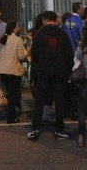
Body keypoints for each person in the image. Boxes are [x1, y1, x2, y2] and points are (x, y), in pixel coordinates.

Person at [27, 10, 74, 142]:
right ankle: (59, 130)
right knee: (59, 102)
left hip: (43, 73)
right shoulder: (63, 34)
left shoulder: (39, 34)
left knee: (39, 101)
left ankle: (35, 129)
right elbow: (69, 55)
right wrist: (67, 72)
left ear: (45, 19)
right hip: (60, 73)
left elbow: (34, 55)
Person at [0, 20, 28, 124]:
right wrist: (27, 51)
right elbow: (21, 56)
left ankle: (11, 114)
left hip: (3, 70)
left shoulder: (3, 39)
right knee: (13, 94)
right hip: (13, 70)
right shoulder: (18, 40)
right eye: (17, 27)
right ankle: (11, 117)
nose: (19, 28)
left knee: (9, 94)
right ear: (14, 29)